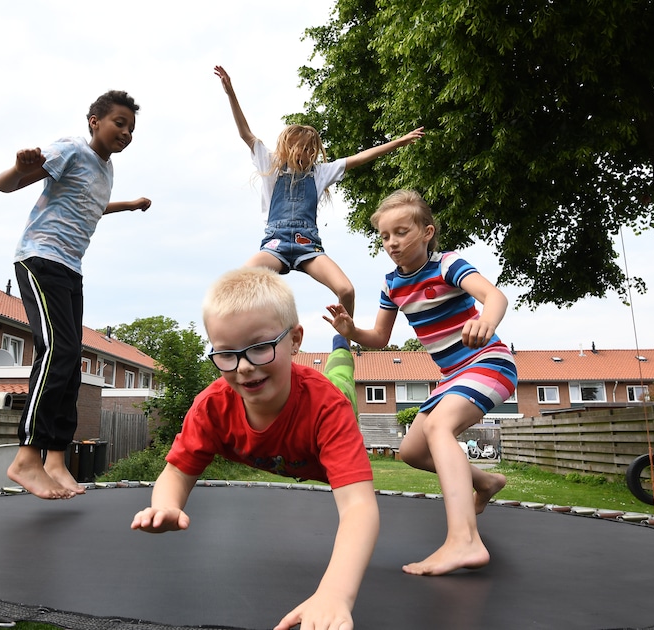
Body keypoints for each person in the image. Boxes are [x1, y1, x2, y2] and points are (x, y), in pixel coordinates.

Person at [132, 267, 379, 630]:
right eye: (227, 354)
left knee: (340, 371)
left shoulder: (328, 408)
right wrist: (165, 505)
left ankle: (342, 340)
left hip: (337, 394)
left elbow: (359, 507)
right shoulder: (212, 407)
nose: (244, 367)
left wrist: (335, 593)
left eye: (260, 347)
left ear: (295, 340)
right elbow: (175, 472)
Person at [324, 189, 518, 576]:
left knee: (439, 427)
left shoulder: (448, 265)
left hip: (487, 361)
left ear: (427, 231)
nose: (392, 243)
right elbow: (380, 339)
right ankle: (487, 483)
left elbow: (494, 296)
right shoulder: (391, 285)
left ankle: (464, 540)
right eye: (384, 236)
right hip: (451, 377)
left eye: (401, 232)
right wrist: (351, 330)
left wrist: (486, 321)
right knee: (412, 450)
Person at [0, 90, 152, 500]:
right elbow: (6, 186)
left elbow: (91, 206)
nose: (126, 132)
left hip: (70, 268)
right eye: (119, 122)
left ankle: (55, 459)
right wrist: (18, 166)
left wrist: (128, 205)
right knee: (55, 352)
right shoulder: (71, 148)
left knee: (71, 360)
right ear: (93, 121)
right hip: (39, 258)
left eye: (132, 128)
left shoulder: (108, 170)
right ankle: (26, 457)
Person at [215, 65, 424, 319]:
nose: (304, 154)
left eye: (309, 150)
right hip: (275, 243)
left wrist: (400, 141)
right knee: (239, 282)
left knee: (346, 290)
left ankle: (343, 347)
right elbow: (246, 134)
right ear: (287, 148)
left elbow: (361, 157)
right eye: (299, 149)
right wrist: (230, 93)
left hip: (308, 246)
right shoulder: (270, 165)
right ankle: (247, 341)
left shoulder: (321, 172)